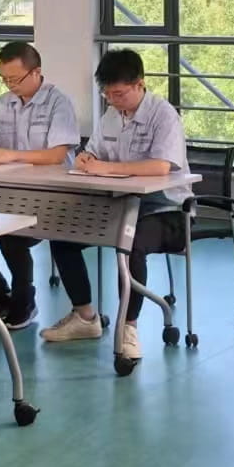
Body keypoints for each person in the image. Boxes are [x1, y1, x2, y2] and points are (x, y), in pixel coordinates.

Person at [40, 49, 191, 362]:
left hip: (165, 210)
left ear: (140, 84)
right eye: (107, 94)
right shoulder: (111, 115)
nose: (113, 100)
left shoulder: (163, 115)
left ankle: (129, 327)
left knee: (130, 244)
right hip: (118, 205)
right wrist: (86, 158)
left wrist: (106, 168)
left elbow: (161, 167)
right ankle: (85, 317)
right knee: (62, 234)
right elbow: (93, 152)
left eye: (119, 94)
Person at [0, 40, 82, 328]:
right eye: (5, 79)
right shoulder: (5, 103)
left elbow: (56, 155)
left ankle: (25, 300)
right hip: (7, 191)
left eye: (16, 79)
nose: (10, 85)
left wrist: (13, 154)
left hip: (51, 195)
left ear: (36, 72)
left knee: (11, 238)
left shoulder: (58, 103)